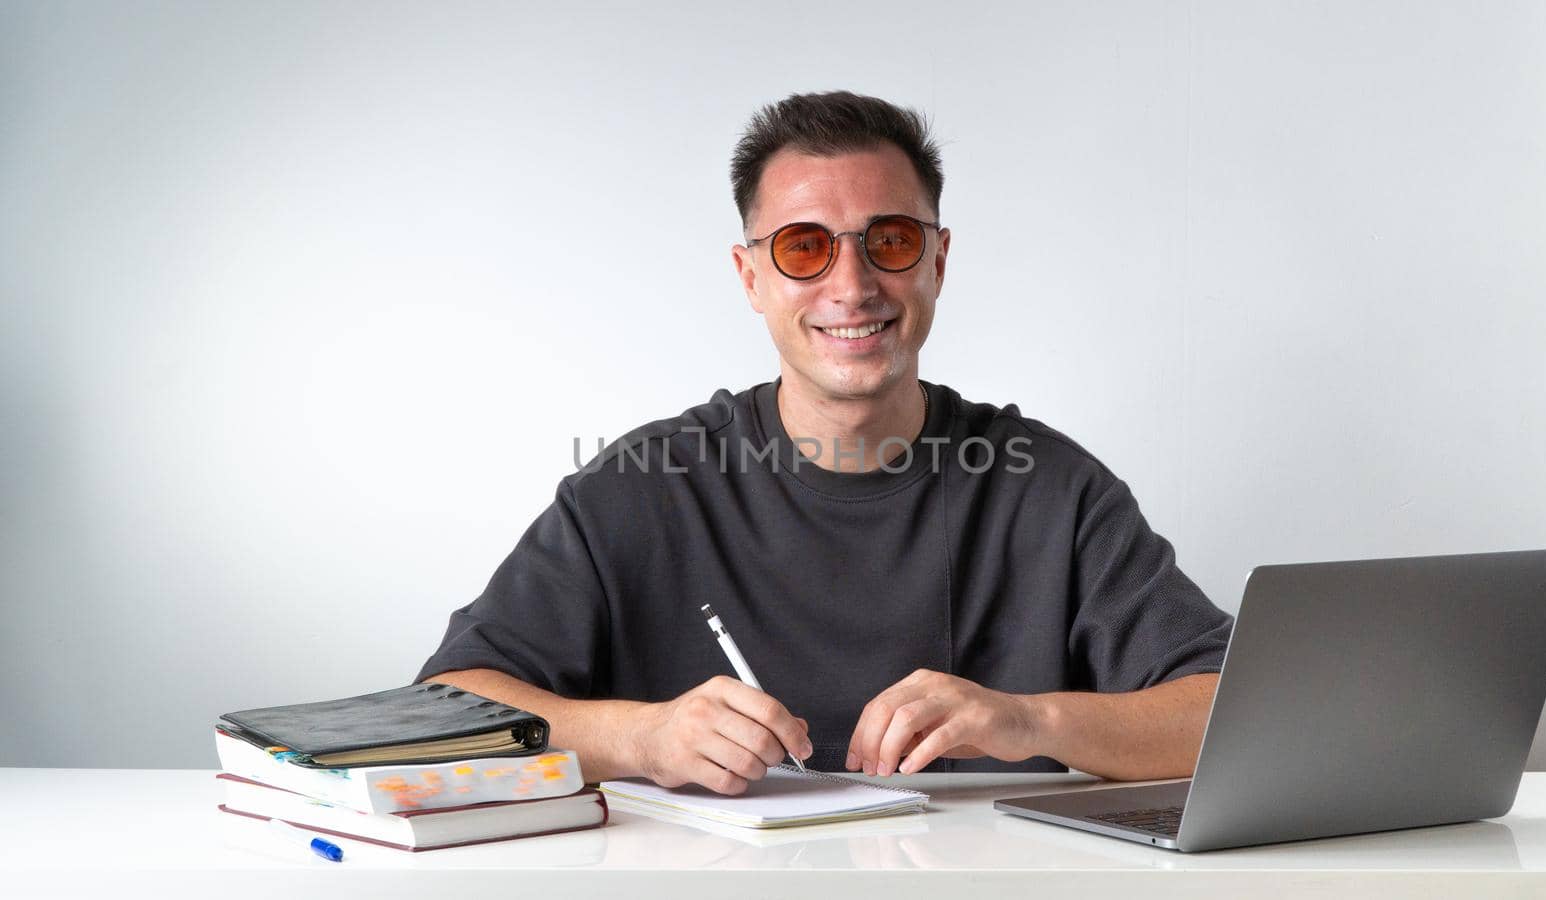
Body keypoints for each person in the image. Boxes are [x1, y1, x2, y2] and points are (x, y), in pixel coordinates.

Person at [416, 90, 1233, 795]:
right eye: (805, 248)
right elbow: (451, 706)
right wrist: (643, 738)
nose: (852, 285)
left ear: (938, 263)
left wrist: (1031, 720)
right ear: (750, 278)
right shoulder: (640, 484)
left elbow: (1233, 709)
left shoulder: (1051, 488)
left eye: (893, 241)